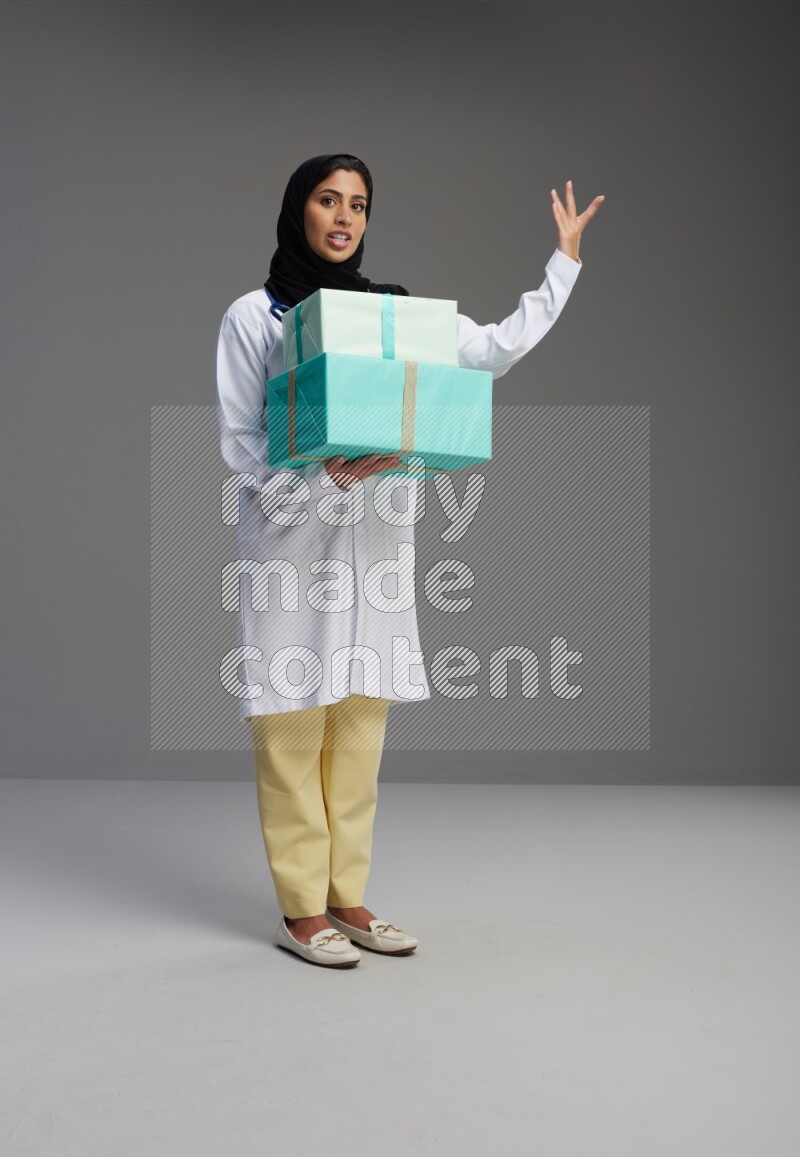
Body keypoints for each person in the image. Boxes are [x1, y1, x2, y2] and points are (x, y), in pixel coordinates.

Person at [215, 153, 603, 968]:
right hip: (292, 550)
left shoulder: (396, 316)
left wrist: (561, 266)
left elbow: (492, 351)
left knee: (359, 726)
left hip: (377, 548)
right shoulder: (256, 316)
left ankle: (348, 897)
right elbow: (244, 451)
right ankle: (300, 910)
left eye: (358, 202)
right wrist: (322, 477)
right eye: (328, 199)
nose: (344, 215)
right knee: (291, 727)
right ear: (300, 209)